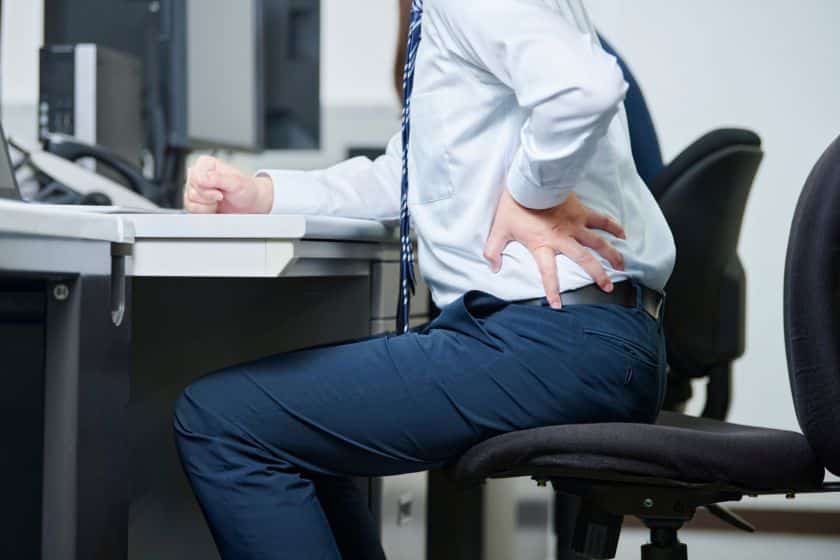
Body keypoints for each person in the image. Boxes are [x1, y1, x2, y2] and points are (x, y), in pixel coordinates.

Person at [174, 1, 676, 558]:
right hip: (591, 339)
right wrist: (266, 195)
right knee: (304, 432)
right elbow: (414, 170)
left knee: (223, 423)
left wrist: (532, 193)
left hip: (553, 338)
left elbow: (585, 88)